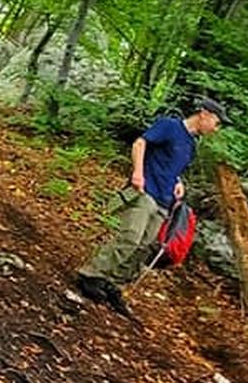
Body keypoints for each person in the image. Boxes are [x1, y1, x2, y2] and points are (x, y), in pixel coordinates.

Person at [75, 98, 228, 311]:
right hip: (145, 191)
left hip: (164, 201)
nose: (216, 129)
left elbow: (172, 167)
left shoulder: (192, 146)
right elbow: (140, 143)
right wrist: (138, 173)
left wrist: (178, 182)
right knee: (130, 237)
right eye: (217, 123)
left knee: (144, 247)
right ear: (204, 114)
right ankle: (91, 274)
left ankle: (113, 283)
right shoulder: (169, 126)